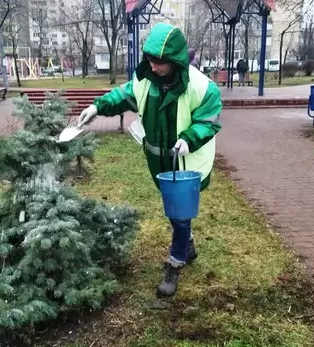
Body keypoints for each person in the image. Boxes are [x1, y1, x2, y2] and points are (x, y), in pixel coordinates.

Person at [77, 23, 222, 297]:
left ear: (175, 61)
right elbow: (123, 95)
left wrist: (189, 138)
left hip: (186, 162)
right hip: (159, 161)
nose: (153, 67)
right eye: (150, 61)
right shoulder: (145, 81)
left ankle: (176, 261)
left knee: (179, 211)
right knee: (173, 208)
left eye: (160, 63)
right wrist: (96, 107)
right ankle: (187, 244)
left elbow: (209, 121)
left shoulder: (202, 88)